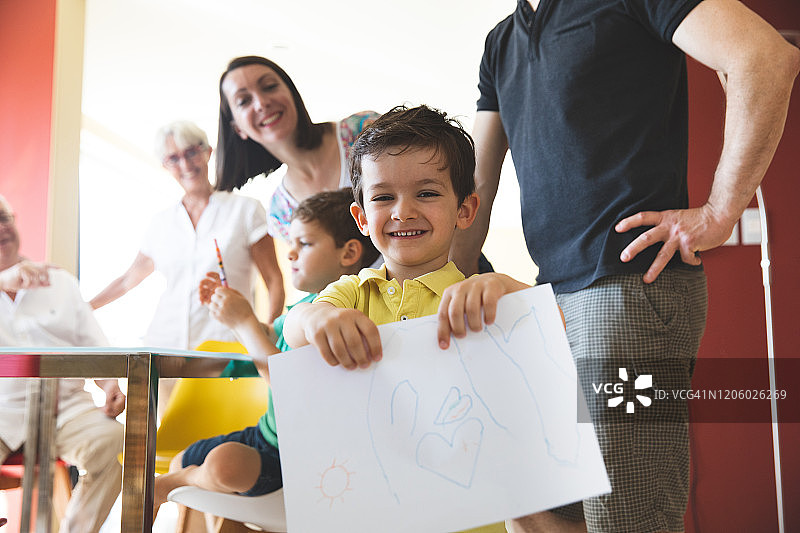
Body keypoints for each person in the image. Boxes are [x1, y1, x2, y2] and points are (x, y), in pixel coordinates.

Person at [451, 1, 800, 532]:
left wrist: (718, 213)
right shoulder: (501, 41)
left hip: (627, 295)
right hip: (550, 304)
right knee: (547, 513)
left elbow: (765, 56)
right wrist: (437, 292)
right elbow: (476, 186)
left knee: (626, 522)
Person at [151, 188, 380, 513]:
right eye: (292, 242)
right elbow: (267, 338)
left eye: (305, 243)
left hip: (303, 460)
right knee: (182, 458)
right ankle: (184, 476)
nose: (290, 253)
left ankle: (184, 480)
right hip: (267, 437)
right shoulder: (303, 307)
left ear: (348, 253)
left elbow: (290, 387)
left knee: (220, 466)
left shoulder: (338, 319)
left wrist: (243, 320)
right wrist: (230, 309)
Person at [283, 105, 529, 374]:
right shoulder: (351, 294)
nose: (403, 213)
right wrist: (314, 318)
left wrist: (502, 284)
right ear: (362, 219)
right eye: (383, 198)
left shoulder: (477, 298)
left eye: (426, 194)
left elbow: (554, 324)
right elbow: (292, 331)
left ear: (464, 210)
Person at [89, 120, 285, 347]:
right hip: (164, 346)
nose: (185, 164)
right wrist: (84, 309)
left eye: (191, 152)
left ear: (207, 152)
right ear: (165, 165)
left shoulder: (246, 210)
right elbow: (126, 281)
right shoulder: (161, 223)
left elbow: (273, 280)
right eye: (173, 158)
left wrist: (268, 336)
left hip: (225, 346)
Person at [0, 195, 125, 533]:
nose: (0, 228)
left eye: (3, 218)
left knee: (111, 439)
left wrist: (110, 383)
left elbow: (96, 345)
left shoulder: (59, 282)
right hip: (3, 413)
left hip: (67, 410)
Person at [215, 55, 380, 243]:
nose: (261, 103)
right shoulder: (280, 212)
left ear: (291, 93)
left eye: (269, 87)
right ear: (238, 129)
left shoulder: (362, 129)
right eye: (244, 101)